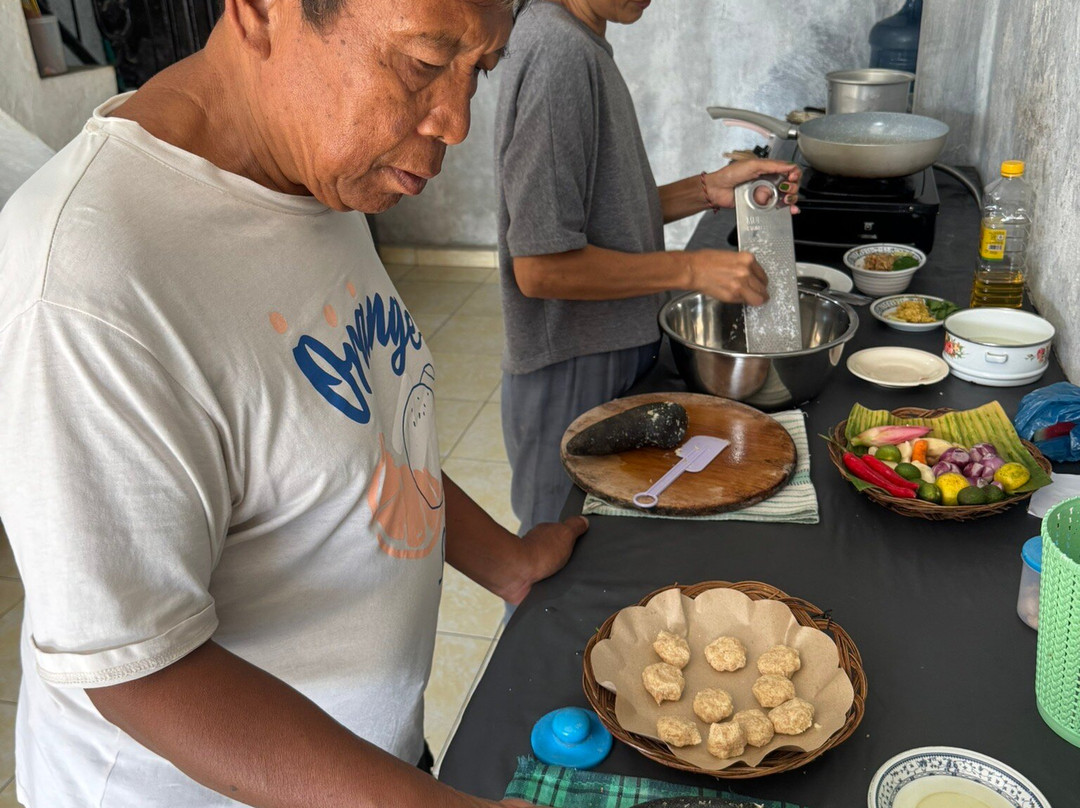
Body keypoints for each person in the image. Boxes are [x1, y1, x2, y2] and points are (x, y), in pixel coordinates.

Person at [0, 0, 587, 804]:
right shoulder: (85, 276)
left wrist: (511, 564)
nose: (456, 122)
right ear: (262, 12)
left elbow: (360, 441)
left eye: (477, 72)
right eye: (422, 62)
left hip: (360, 771)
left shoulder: (315, 176)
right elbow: (137, 669)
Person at [495, 0, 802, 535]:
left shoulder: (580, 40)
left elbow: (597, 216)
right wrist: (687, 269)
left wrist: (706, 189)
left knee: (613, 542)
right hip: (573, 362)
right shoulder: (555, 49)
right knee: (558, 557)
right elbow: (541, 268)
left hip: (608, 351)